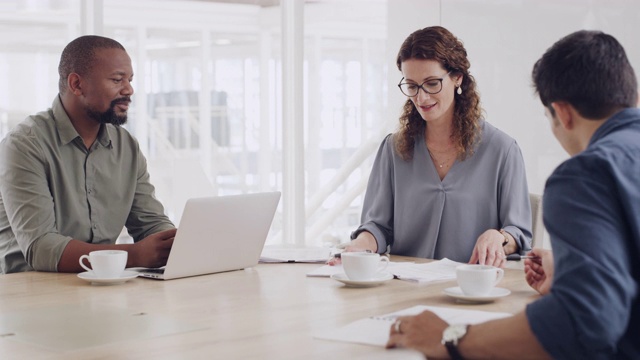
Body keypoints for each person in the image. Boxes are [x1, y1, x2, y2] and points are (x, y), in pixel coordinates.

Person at [386, 29, 640, 359]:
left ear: (561, 112)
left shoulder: (585, 175)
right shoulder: (394, 147)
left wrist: (449, 338)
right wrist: (573, 273)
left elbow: (582, 324)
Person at [339, 26, 532, 267]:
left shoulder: (502, 150)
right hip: (402, 289)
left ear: (457, 77)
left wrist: (499, 236)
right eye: (412, 86)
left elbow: (519, 234)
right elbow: (377, 226)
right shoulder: (393, 149)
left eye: (432, 83)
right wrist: (360, 244)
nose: (421, 98)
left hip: (469, 290)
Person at [0, 35, 176, 274]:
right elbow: (41, 248)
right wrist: (133, 255)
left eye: (130, 80)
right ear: (76, 84)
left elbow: (151, 224)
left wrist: (177, 244)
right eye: (117, 80)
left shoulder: (126, 146)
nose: (129, 90)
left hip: (102, 285)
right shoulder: (24, 145)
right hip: (30, 291)